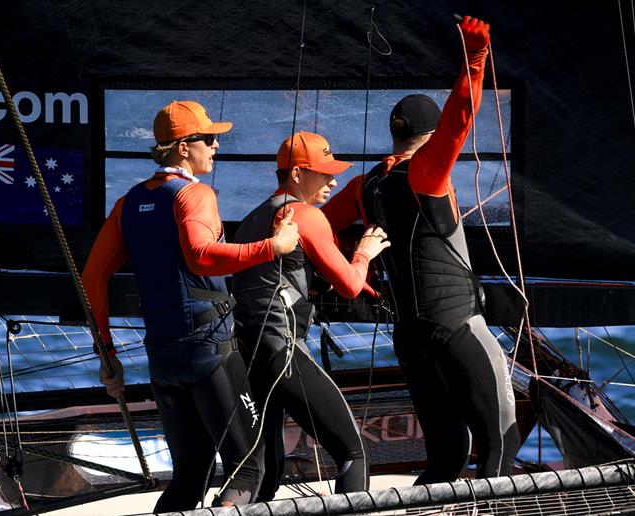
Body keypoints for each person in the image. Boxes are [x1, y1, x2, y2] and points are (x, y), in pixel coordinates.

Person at [320, 16, 520, 484]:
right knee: (501, 442)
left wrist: (361, 269)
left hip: (409, 335)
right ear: (427, 138)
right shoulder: (427, 172)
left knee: (447, 455)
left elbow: (319, 231)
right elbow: (460, 119)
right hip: (455, 326)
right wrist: (476, 59)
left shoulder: (364, 186)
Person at [82, 100, 301, 510]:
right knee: (247, 469)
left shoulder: (128, 203)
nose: (216, 146)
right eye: (209, 138)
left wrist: (106, 352)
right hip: (210, 353)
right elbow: (201, 255)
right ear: (183, 147)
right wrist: (275, 246)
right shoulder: (195, 194)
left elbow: (92, 278)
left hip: (163, 360)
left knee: (189, 477)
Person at [231, 131, 391, 500]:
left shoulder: (252, 219)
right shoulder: (305, 214)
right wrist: (364, 253)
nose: (334, 181)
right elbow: (351, 285)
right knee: (352, 453)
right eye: (324, 174)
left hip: (247, 353)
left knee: (265, 470)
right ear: (298, 174)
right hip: (282, 350)